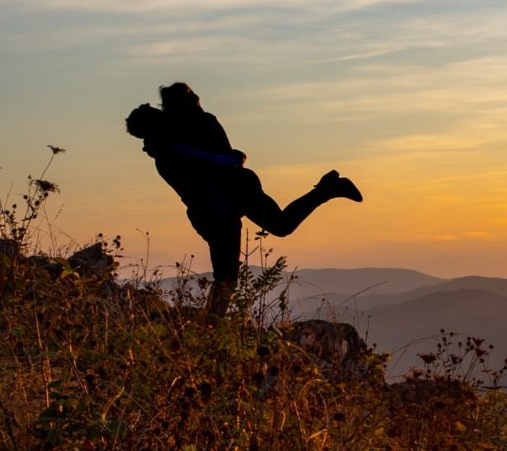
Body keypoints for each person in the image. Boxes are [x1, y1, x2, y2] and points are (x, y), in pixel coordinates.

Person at [125, 82, 362, 314]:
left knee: (230, 272)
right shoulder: (174, 145)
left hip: (226, 200)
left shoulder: (178, 142)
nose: (198, 101)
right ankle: (327, 189)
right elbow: (221, 162)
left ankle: (213, 325)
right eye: (194, 99)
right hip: (223, 203)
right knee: (256, 247)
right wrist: (230, 160)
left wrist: (229, 161)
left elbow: (221, 162)